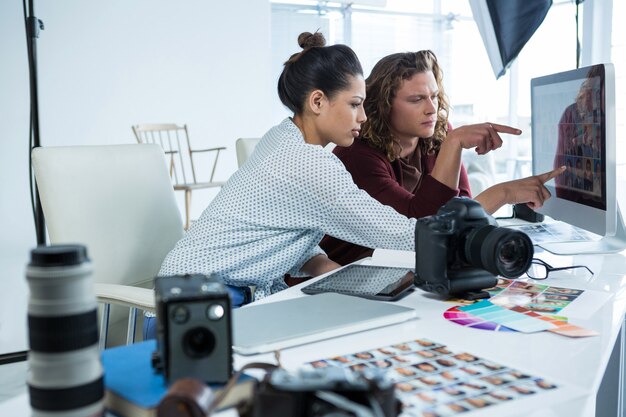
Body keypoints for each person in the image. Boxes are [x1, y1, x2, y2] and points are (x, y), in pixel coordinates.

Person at [147, 32, 420, 339]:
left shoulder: (281, 137)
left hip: (214, 294)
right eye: (355, 104)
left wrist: (320, 264)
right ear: (317, 101)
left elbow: (279, 222)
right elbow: (389, 230)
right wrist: (464, 237)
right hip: (195, 307)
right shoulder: (307, 163)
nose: (364, 117)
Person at [319, 50, 564, 265]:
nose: (431, 109)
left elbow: (462, 213)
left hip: (401, 270)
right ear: (383, 105)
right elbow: (425, 229)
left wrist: (451, 143)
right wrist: (504, 193)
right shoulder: (356, 155)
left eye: (434, 96)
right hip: (341, 275)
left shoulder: (437, 134)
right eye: (416, 99)